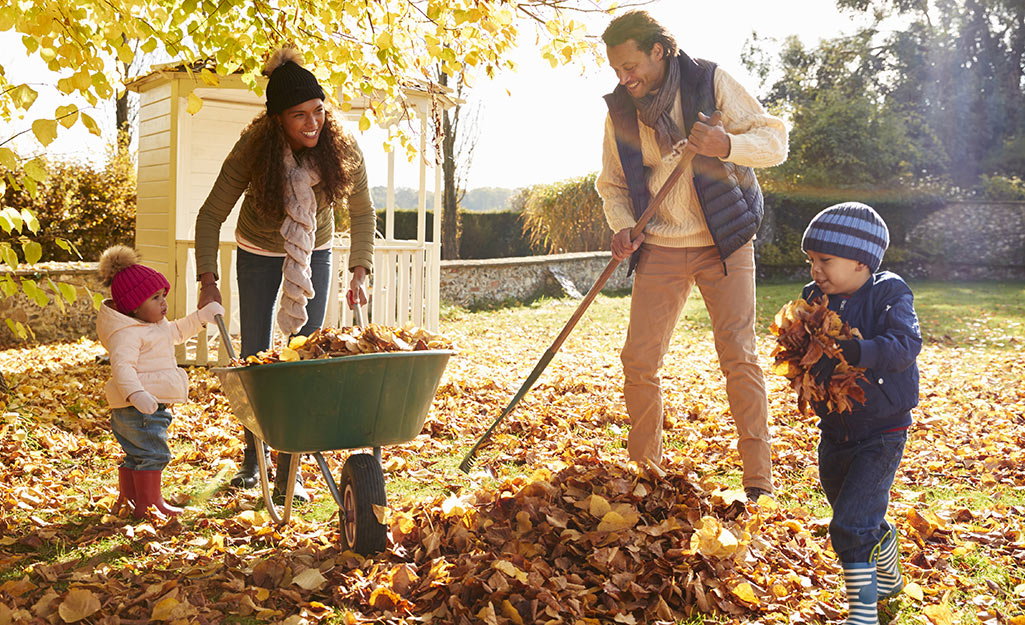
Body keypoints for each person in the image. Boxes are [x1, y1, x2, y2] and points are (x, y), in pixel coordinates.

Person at [595, 10, 787, 500]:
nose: (625, 77)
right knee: (638, 361)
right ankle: (644, 475)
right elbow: (613, 184)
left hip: (724, 240)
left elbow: (775, 142)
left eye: (631, 65)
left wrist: (726, 144)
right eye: (617, 69)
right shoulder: (621, 110)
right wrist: (621, 225)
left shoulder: (710, 81)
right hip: (660, 244)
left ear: (658, 51)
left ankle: (759, 482)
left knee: (738, 355)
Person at [194, 48, 376, 504]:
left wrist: (360, 271)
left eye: (318, 111)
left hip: (313, 250)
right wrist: (207, 279)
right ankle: (255, 457)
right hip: (257, 252)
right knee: (255, 355)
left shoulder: (342, 146)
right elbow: (209, 215)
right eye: (299, 116)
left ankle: (292, 461)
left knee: (307, 356)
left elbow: (362, 211)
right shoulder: (254, 152)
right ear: (278, 120)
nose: (312, 123)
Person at [800, 202, 919, 623]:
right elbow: (805, 344)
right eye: (811, 260)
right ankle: (884, 555)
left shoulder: (890, 292)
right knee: (851, 511)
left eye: (825, 260)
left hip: (882, 429)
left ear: (860, 260)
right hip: (834, 428)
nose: (815, 270)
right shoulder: (815, 298)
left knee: (850, 524)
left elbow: (906, 345)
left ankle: (862, 614)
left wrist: (859, 351)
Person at [97, 245, 225, 520]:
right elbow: (122, 368)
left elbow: (177, 331)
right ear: (133, 306)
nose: (164, 302)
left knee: (138, 456)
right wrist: (136, 394)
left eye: (163, 295)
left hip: (147, 405)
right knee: (154, 455)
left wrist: (202, 317)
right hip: (138, 408)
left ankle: (132, 501)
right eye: (155, 298)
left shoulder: (152, 325)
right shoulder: (127, 334)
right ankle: (150, 503)